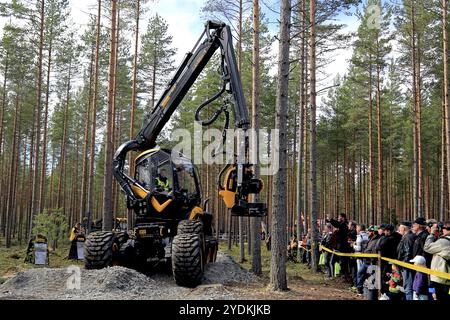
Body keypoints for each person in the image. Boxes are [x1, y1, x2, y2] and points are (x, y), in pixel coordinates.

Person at [424, 220, 450, 301]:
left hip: (439, 279)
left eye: (443, 228)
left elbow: (427, 247)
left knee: (433, 296)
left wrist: (431, 234)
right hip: (445, 278)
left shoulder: (444, 242)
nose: (442, 230)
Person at [377, 224, 402, 295]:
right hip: (397, 261)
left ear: (388, 231)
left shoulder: (387, 239)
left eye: (385, 231)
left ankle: (385, 293)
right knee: (396, 278)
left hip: (387, 262)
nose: (384, 233)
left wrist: (382, 238)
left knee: (386, 278)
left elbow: (379, 247)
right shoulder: (399, 236)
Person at [326, 213, 351, 281]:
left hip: (343, 247)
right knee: (338, 262)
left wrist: (331, 219)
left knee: (343, 262)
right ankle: (341, 275)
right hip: (339, 247)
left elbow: (337, 224)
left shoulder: (344, 225)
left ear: (343, 218)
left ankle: (344, 276)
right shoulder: (342, 225)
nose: (338, 218)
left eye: (339, 217)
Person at [396, 221, 416, 300]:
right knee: (407, 287)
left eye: (400, 228)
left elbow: (407, 253)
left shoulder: (408, 237)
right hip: (404, 265)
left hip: (406, 266)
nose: (398, 229)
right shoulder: (407, 236)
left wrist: (403, 265)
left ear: (403, 228)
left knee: (408, 288)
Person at [352, 223, 369, 294]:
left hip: (359, 256)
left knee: (360, 272)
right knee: (364, 273)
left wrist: (353, 245)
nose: (356, 229)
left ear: (359, 228)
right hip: (366, 257)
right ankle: (364, 288)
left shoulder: (360, 237)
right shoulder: (367, 235)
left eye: (356, 228)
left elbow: (358, 248)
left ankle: (360, 289)